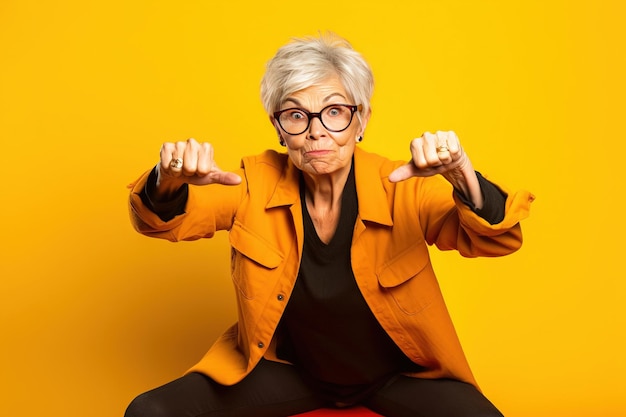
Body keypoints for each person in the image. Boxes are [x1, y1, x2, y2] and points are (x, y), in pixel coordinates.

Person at [125, 32, 533, 417]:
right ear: (279, 128)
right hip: (290, 371)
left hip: (397, 374)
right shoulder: (252, 183)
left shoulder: (401, 188)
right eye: (296, 115)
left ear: (362, 120)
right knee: (148, 412)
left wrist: (462, 174)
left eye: (334, 111)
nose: (317, 130)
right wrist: (168, 179)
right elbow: (161, 220)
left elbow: (496, 239)